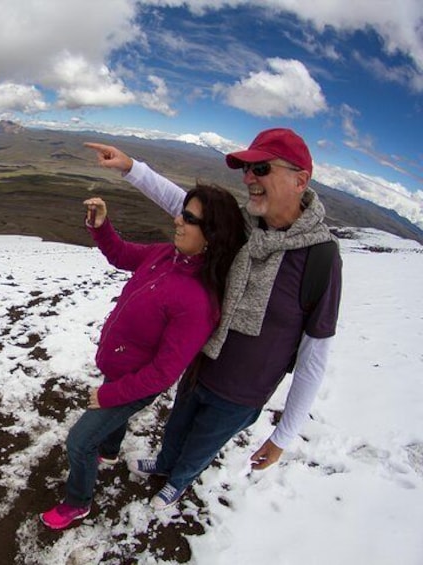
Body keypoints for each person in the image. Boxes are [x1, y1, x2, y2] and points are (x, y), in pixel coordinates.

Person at [84, 127, 342, 510]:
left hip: (242, 393)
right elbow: (189, 210)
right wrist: (131, 168)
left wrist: (283, 437)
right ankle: (167, 461)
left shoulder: (321, 260)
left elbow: (314, 356)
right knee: (177, 428)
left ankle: (179, 480)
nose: (249, 179)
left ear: (299, 179)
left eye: (261, 169)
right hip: (200, 366)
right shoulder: (247, 229)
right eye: (246, 169)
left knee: (203, 443)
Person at [40, 183, 246, 530]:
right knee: (102, 433)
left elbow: (163, 374)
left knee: (78, 441)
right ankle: (109, 450)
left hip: (135, 383)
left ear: (212, 235)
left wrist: (108, 395)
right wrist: (101, 227)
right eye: (183, 211)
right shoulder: (166, 255)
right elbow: (121, 254)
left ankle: (78, 502)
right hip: (120, 365)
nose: (178, 220)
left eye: (190, 218)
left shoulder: (198, 302)